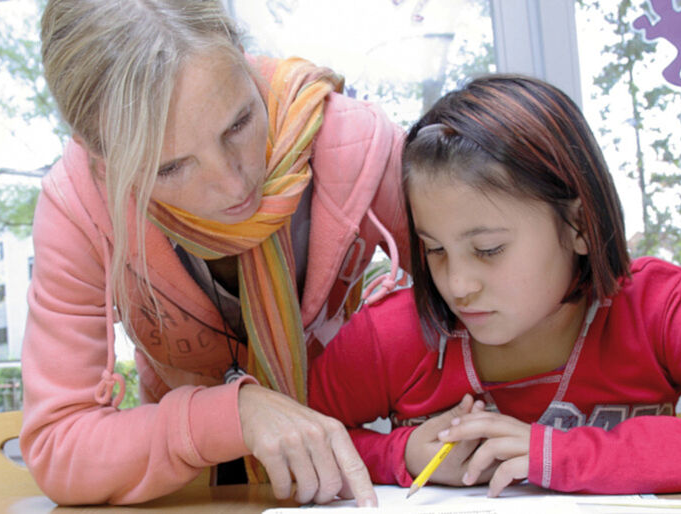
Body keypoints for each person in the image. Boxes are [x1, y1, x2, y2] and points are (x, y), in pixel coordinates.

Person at [20, 0, 411, 506]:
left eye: (239, 123)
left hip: (365, 472)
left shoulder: (358, 146)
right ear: (102, 158)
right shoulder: (79, 206)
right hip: (191, 491)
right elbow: (59, 447)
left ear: (242, 55)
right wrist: (235, 414)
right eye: (170, 168)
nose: (233, 184)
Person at [309, 74, 681, 498]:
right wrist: (403, 454)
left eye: (489, 249)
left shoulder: (658, 306)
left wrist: (557, 455)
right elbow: (295, 440)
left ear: (580, 225)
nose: (457, 286)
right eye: (434, 249)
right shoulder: (391, 335)